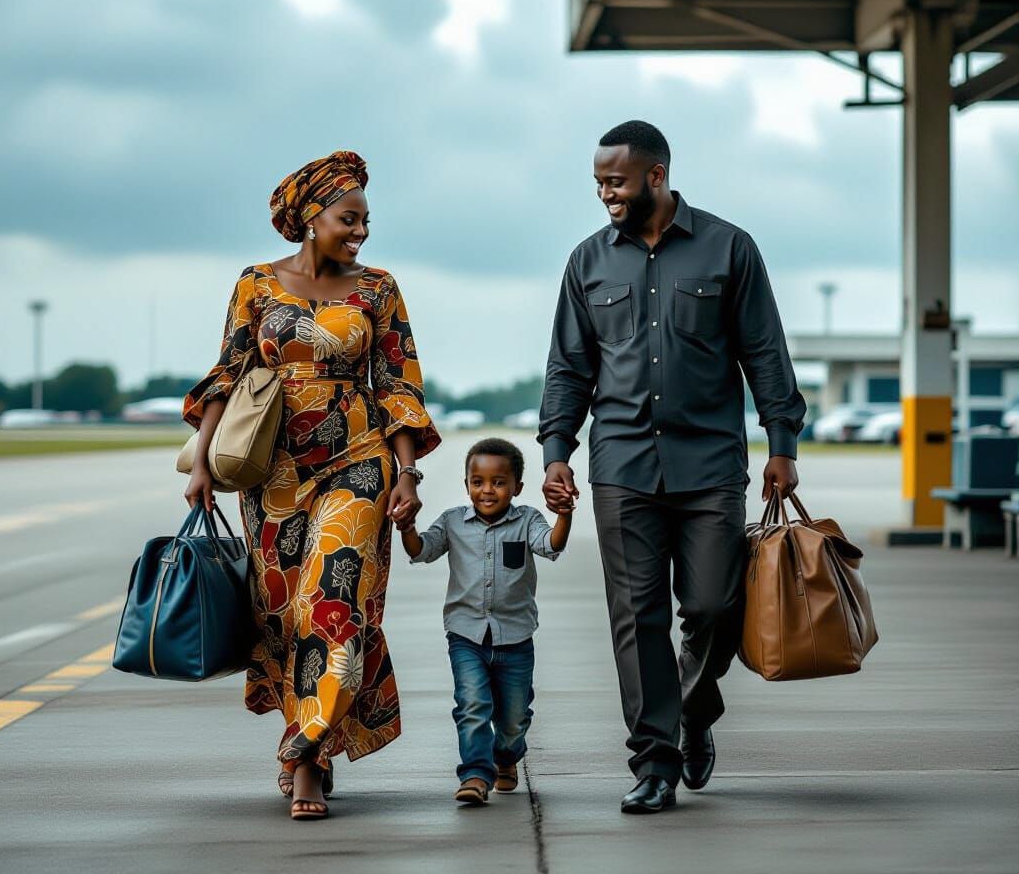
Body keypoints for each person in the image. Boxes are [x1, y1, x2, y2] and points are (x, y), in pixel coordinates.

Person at [539, 120, 805, 815]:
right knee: (637, 617)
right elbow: (569, 367)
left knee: (715, 605)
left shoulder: (729, 248)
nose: (606, 194)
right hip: (621, 465)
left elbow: (765, 352)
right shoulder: (588, 262)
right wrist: (556, 451)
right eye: (599, 183)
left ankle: (692, 707)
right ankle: (655, 762)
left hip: (710, 464)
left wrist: (782, 444)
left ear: (656, 176)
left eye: (617, 182)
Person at [182, 150, 441, 820]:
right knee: (283, 613)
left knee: (334, 601)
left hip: (358, 460)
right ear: (311, 219)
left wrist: (407, 472)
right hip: (271, 469)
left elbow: (399, 384)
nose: (361, 232)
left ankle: (307, 758)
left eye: (365, 221)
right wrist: (202, 461)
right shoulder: (256, 284)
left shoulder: (378, 289)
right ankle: (305, 734)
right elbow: (227, 373)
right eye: (348, 219)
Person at [399, 437, 572, 805]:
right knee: (472, 706)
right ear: (467, 485)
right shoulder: (452, 522)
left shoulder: (527, 520)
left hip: (516, 639)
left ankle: (506, 758)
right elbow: (422, 550)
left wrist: (565, 515)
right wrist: (407, 528)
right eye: (478, 482)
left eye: (498, 482)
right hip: (466, 636)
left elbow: (551, 545)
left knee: (513, 720)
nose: (487, 490)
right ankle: (476, 775)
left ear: (517, 487)